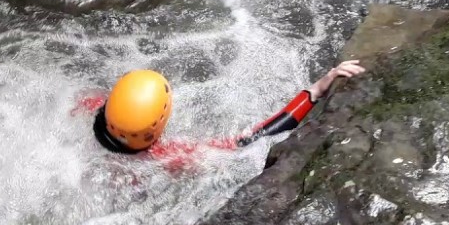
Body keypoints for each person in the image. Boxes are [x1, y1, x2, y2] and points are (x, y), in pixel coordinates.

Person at [78, 60, 365, 162]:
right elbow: (250, 142)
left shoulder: (84, 106)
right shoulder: (168, 158)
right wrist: (314, 92)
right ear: (157, 123)